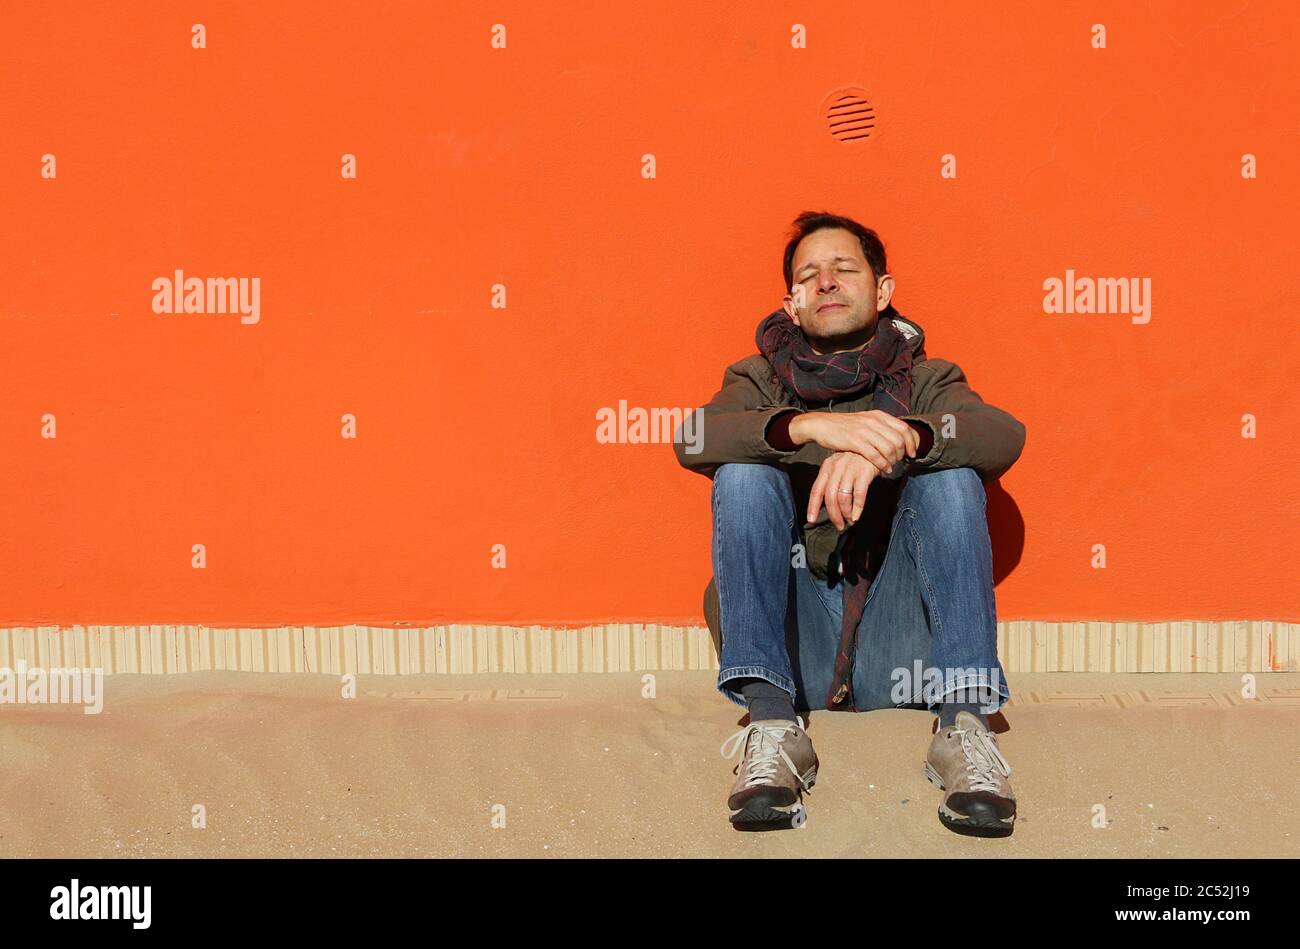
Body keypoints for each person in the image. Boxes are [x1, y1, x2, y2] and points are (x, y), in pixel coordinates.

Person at [672, 211, 1027, 836]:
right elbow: (694, 437)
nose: (827, 283)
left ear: (882, 290)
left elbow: (1001, 434)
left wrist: (890, 441)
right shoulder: (755, 378)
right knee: (743, 472)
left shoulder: (927, 379)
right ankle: (773, 726)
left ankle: (965, 727)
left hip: (904, 643)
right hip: (798, 641)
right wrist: (806, 427)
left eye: (844, 269)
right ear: (792, 303)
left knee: (952, 473)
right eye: (810, 276)